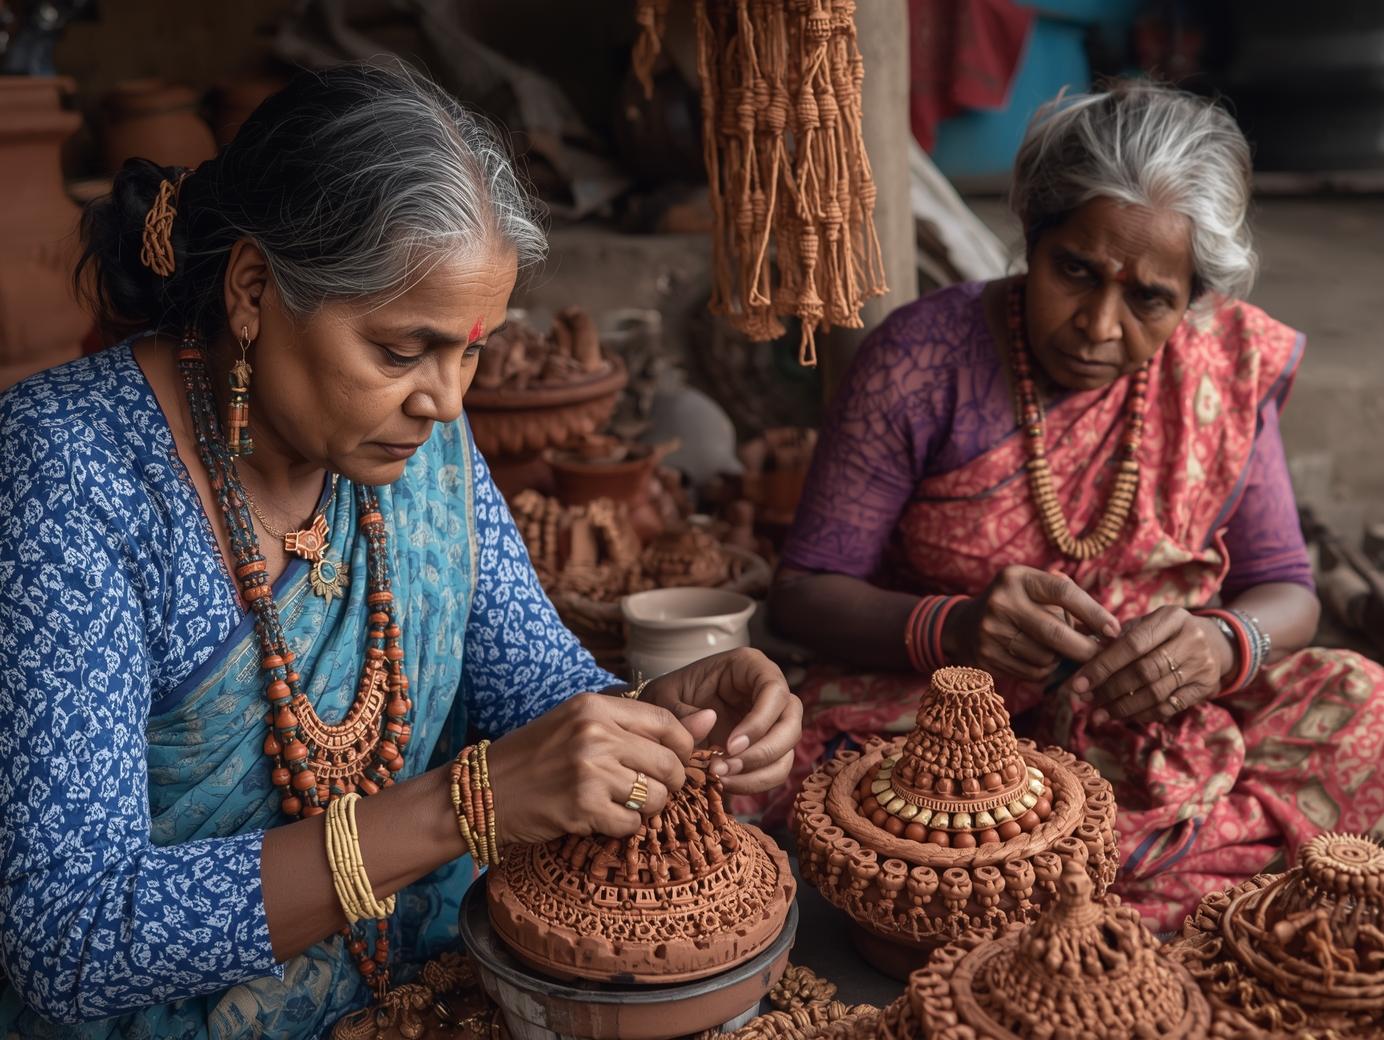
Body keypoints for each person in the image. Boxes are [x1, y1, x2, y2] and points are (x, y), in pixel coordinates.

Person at [0, 63, 801, 1039]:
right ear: (253, 288)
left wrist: (657, 715)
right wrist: (464, 808)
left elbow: (528, 681)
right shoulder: (68, 475)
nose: (447, 400)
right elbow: (70, 935)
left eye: (471, 349)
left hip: (429, 986)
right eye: (400, 350)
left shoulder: (415, 446)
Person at [767, 81, 1384, 931]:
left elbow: (1287, 589)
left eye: (1148, 298)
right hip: (949, 728)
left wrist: (1220, 643)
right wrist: (954, 627)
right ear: (1033, 237)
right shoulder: (922, 363)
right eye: (1075, 272)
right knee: (789, 766)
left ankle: (1046, 898)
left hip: (1164, 717)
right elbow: (803, 592)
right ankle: (1156, 889)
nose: (1098, 325)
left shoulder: (1224, 361)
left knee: (1362, 701)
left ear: (1194, 299)